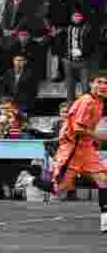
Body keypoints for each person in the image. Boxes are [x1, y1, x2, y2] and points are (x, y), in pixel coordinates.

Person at [35, 72, 107, 233]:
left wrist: (94, 139)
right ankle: (29, 179)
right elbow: (78, 128)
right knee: (59, 190)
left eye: (105, 83)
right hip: (72, 148)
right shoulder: (86, 101)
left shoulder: (99, 102)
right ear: (91, 84)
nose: (103, 86)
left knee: (104, 180)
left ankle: (105, 221)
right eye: (99, 82)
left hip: (86, 148)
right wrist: (99, 136)